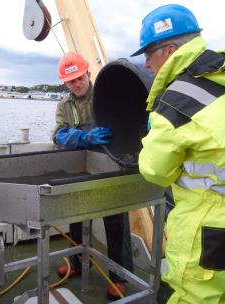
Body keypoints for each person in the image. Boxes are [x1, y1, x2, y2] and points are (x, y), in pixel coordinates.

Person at [133, 4, 225, 303]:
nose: (147, 64)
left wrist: (151, 137)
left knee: (191, 297)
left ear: (170, 49)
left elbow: (155, 171)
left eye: (149, 53)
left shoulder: (176, 102)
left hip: (207, 230)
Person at [53, 51, 134, 300]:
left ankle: (119, 276)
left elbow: (126, 118)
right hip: (82, 167)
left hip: (110, 164)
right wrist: (82, 137)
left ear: (88, 74)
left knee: (115, 221)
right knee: (77, 216)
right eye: (71, 81)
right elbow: (57, 135)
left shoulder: (104, 94)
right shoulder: (63, 105)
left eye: (80, 78)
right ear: (65, 84)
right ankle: (78, 263)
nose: (77, 84)